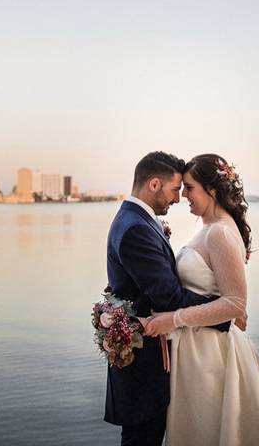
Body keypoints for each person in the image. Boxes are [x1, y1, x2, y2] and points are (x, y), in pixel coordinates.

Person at [142, 154, 259, 446]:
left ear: (211, 190)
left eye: (189, 187)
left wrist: (172, 320)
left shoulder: (220, 233)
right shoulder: (209, 228)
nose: (183, 195)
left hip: (212, 353)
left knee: (209, 428)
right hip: (197, 348)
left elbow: (236, 304)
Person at [104, 152, 223, 446]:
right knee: (142, 439)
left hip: (150, 361)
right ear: (154, 184)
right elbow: (168, 297)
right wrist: (223, 311)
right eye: (174, 189)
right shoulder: (135, 229)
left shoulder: (138, 220)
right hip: (143, 368)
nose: (178, 198)